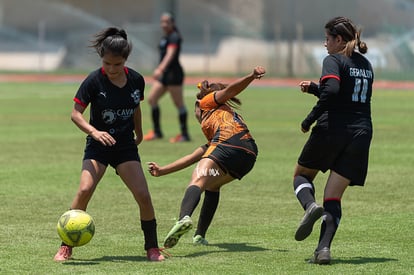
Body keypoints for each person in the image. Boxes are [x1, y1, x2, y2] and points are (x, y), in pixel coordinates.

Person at [53, 27, 164, 262]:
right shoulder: (93, 80)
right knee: (84, 190)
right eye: (107, 64)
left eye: (117, 64)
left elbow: (136, 107)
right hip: (98, 146)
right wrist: (94, 132)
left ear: (125, 60)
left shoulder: (136, 79)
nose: (111, 69)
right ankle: (65, 246)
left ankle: (152, 248)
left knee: (143, 195)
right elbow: (75, 114)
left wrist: (140, 133)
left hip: (124, 146)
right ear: (101, 59)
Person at [147, 66, 265, 249]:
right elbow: (192, 157)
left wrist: (251, 76)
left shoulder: (207, 103)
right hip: (249, 155)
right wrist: (162, 171)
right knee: (212, 184)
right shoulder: (222, 122)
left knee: (198, 180)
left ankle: (183, 218)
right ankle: (199, 236)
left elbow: (230, 90)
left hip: (229, 144)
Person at [293, 16, 373, 264]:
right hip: (361, 132)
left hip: (333, 128)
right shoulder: (366, 64)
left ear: (339, 39)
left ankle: (309, 207)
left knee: (302, 176)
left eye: (327, 38)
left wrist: (309, 119)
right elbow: (346, 95)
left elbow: (333, 92)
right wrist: (316, 88)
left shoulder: (333, 60)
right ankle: (323, 250)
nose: (325, 43)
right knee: (333, 197)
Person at [143, 12, 190, 143]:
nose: (164, 24)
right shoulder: (166, 37)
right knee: (152, 99)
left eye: (166, 22)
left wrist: (160, 68)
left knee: (179, 104)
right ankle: (157, 132)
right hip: (165, 76)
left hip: (173, 74)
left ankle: (184, 134)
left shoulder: (174, 37)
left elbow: (170, 54)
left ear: (172, 23)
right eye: (162, 22)